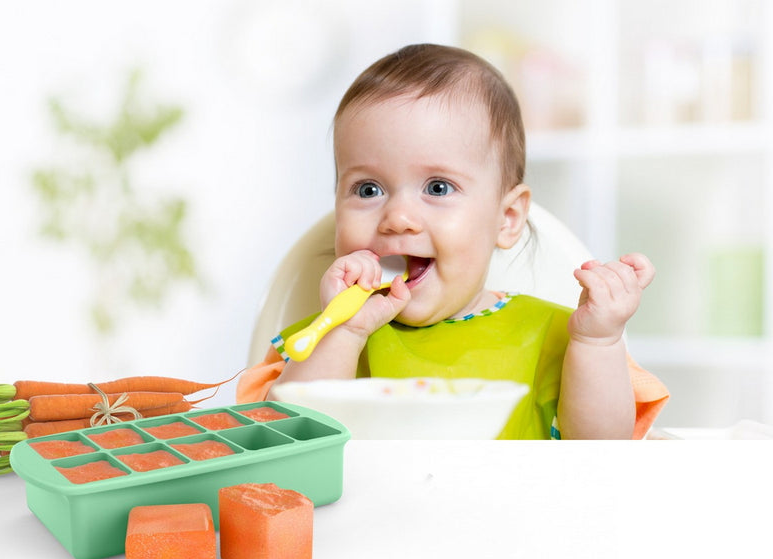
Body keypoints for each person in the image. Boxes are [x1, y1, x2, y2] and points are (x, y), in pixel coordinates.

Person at [237, 43, 668, 439]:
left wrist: (597, 342)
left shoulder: (553, 337)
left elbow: (602, 453)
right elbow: (286, 441)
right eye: (368, 190)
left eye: (438, 188)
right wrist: (344, 330)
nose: (398, 218)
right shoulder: (324, 340)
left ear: (507, 218)